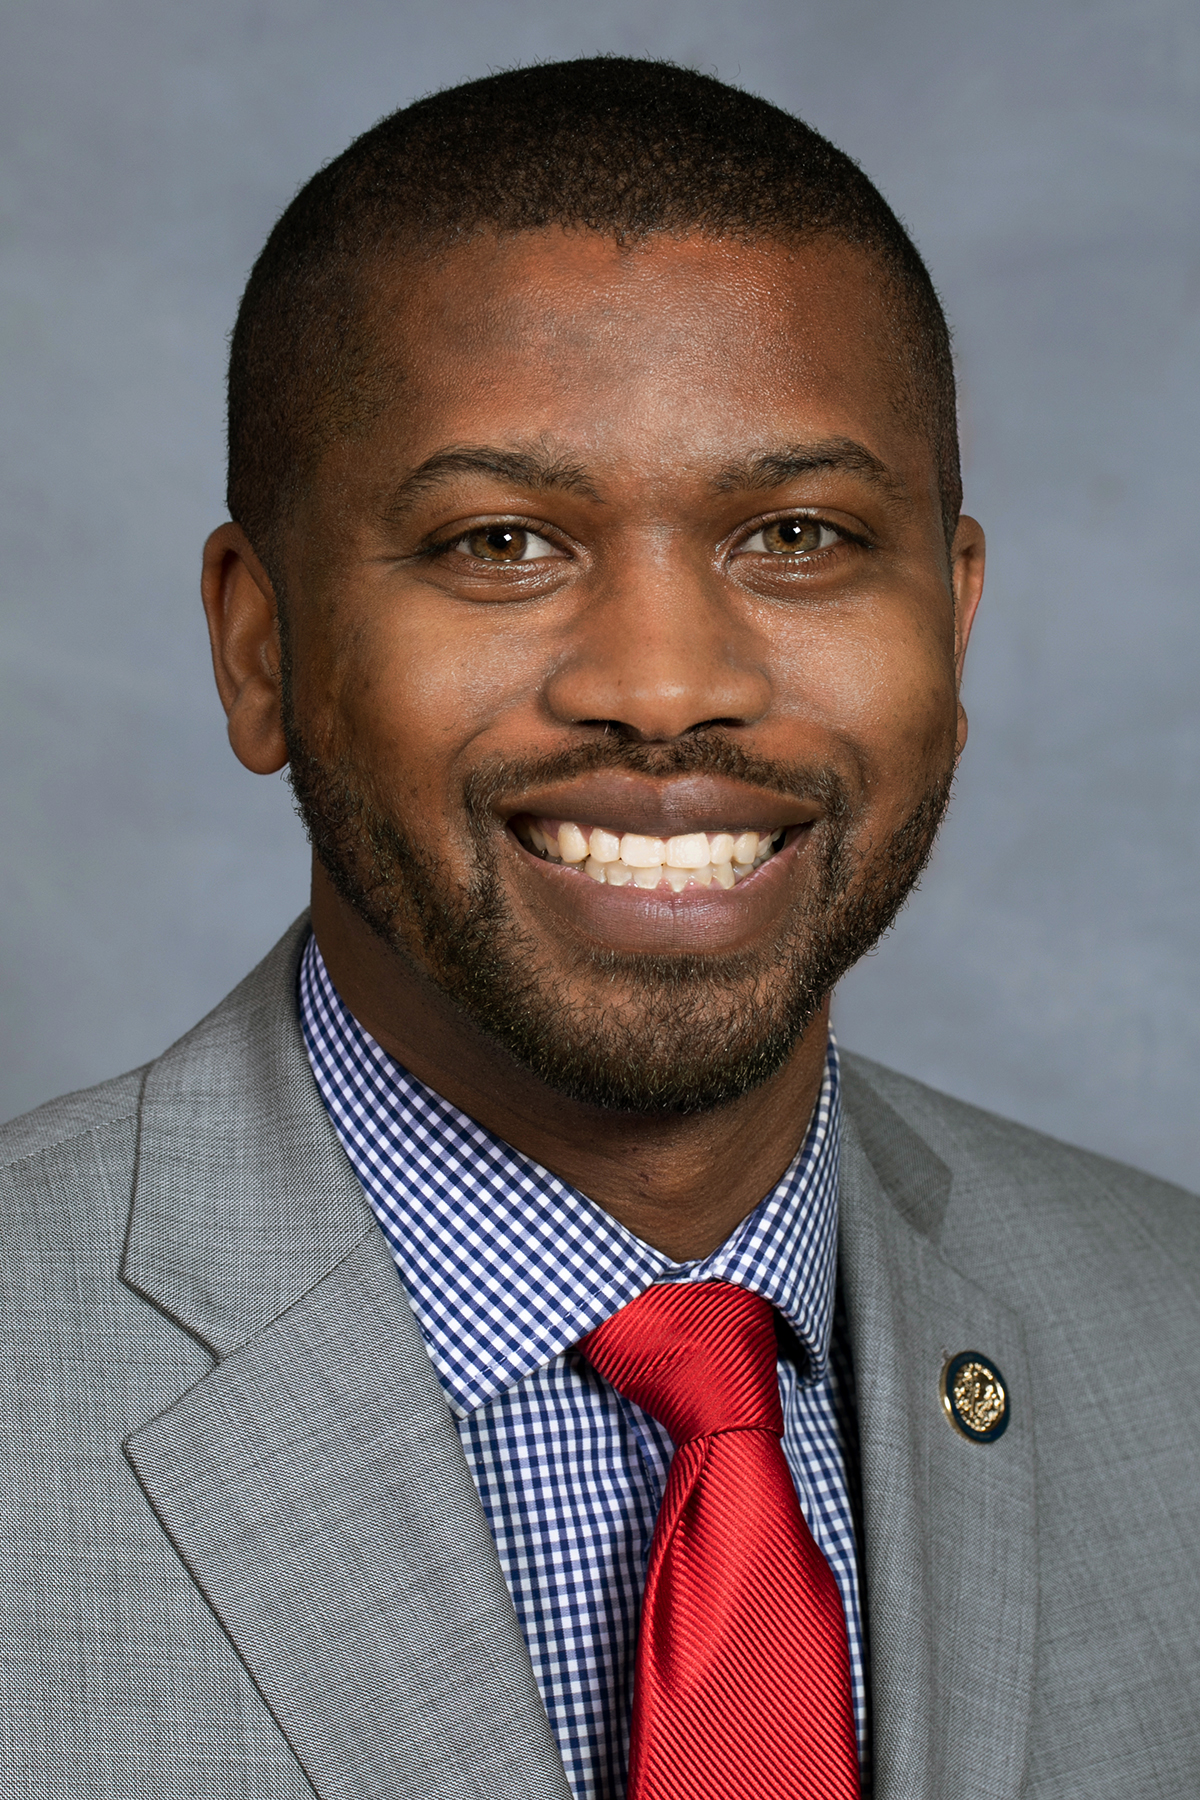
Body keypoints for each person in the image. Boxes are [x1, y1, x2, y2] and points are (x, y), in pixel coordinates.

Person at [2, 56, 1197, 1800]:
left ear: (951, 624)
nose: (665, 684)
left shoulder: (1173, 1339)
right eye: (502, 542)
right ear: (260, 649)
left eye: (798, 535)